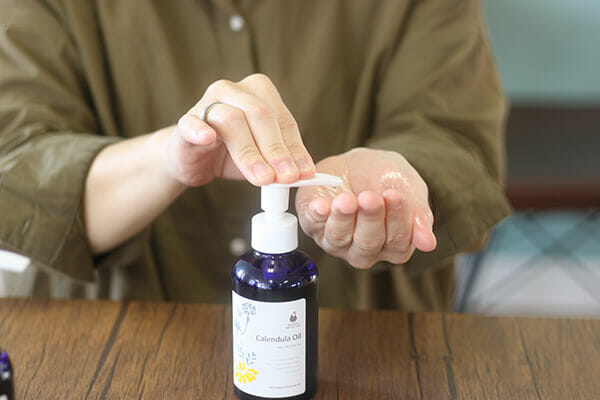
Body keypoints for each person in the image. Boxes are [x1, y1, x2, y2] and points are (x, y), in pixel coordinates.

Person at [0, 0, 510, 310]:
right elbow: (16, 167)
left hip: (365, 340)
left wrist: (398, 179)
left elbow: (458, 148)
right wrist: (167, 157)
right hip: (105, 339)